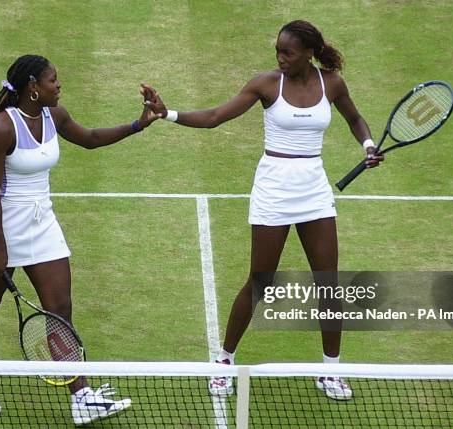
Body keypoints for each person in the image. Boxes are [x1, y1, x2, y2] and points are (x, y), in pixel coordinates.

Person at [142, 20, 383, 400]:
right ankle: (223, 362)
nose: (280, 58)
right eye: (278, 51)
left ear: (308, 52)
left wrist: (368, 145)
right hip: (274, 189)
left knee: (328, 282)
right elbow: (215, 117)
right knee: (261, 282)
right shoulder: (267, 84)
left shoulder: (331, 84)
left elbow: (354, 117)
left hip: (314, 191)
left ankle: (331, 371)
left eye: (287, 52)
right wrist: (167, 113)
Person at [0, 54, 160, 425]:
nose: (59, 85)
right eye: (53, 80)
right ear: (33, 87)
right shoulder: (3, 128)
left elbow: (92, 139)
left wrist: (139, 124)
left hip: (42, 224)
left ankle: (82, 397)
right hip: (3, 224)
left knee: (60, 311)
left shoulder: (55, 116)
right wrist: (0, 248)